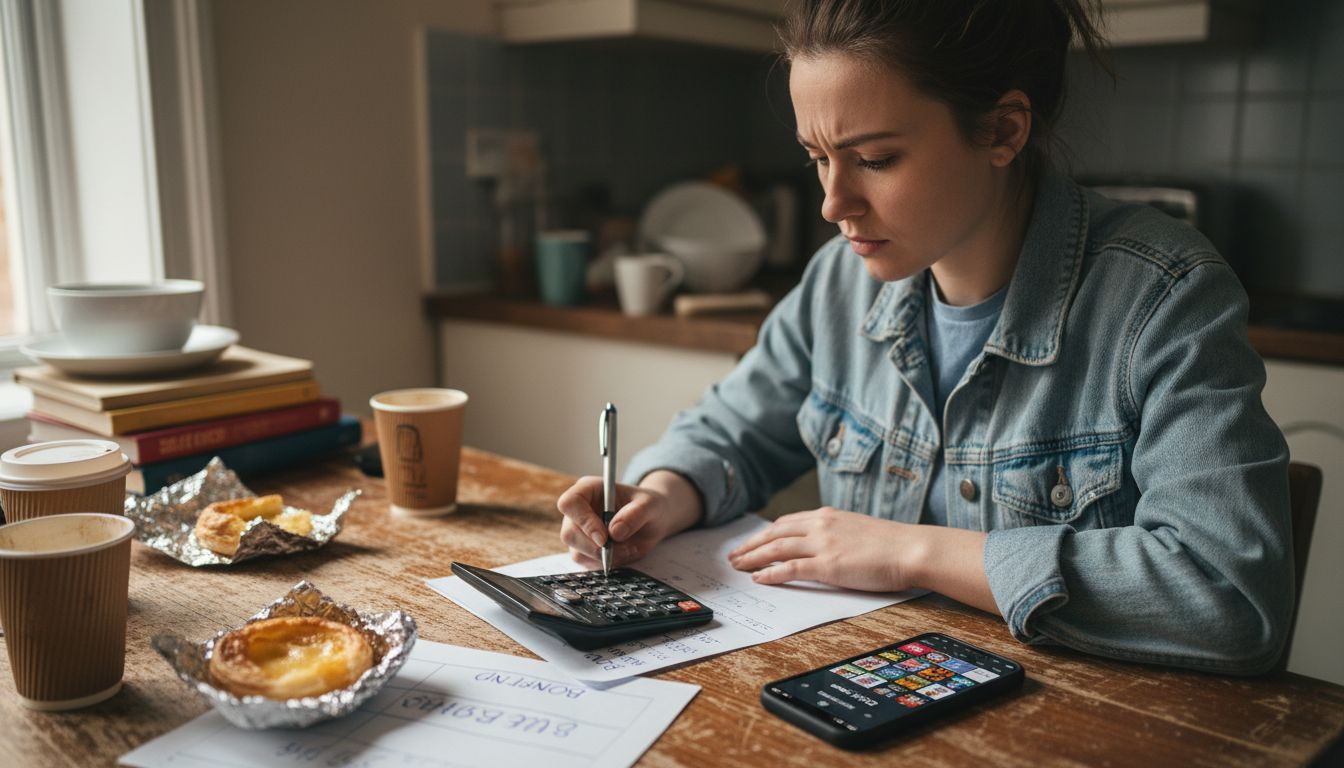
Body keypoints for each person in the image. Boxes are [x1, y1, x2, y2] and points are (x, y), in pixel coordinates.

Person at [557, 0, 1293, 675]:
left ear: (1003, 130)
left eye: (874, 159)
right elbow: (735, 429)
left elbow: (1227, 594)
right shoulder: (838, 283)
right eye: (818, 156)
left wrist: (914, 553)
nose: (832, 203)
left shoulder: (1163, 296)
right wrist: (660, 493)